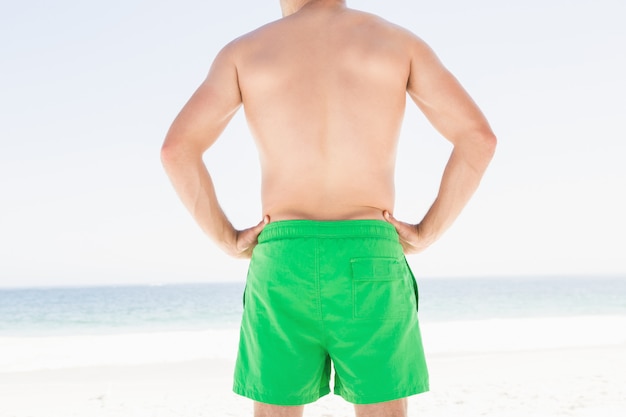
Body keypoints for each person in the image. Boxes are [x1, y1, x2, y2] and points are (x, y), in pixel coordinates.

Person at [161, 0, 496, 416]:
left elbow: (177, 149)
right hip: (370, 254)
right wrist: (427, 232)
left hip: (284, 257)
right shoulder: (398, 44)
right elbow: (478, 139)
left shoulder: (244, 53)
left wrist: (228, 239)